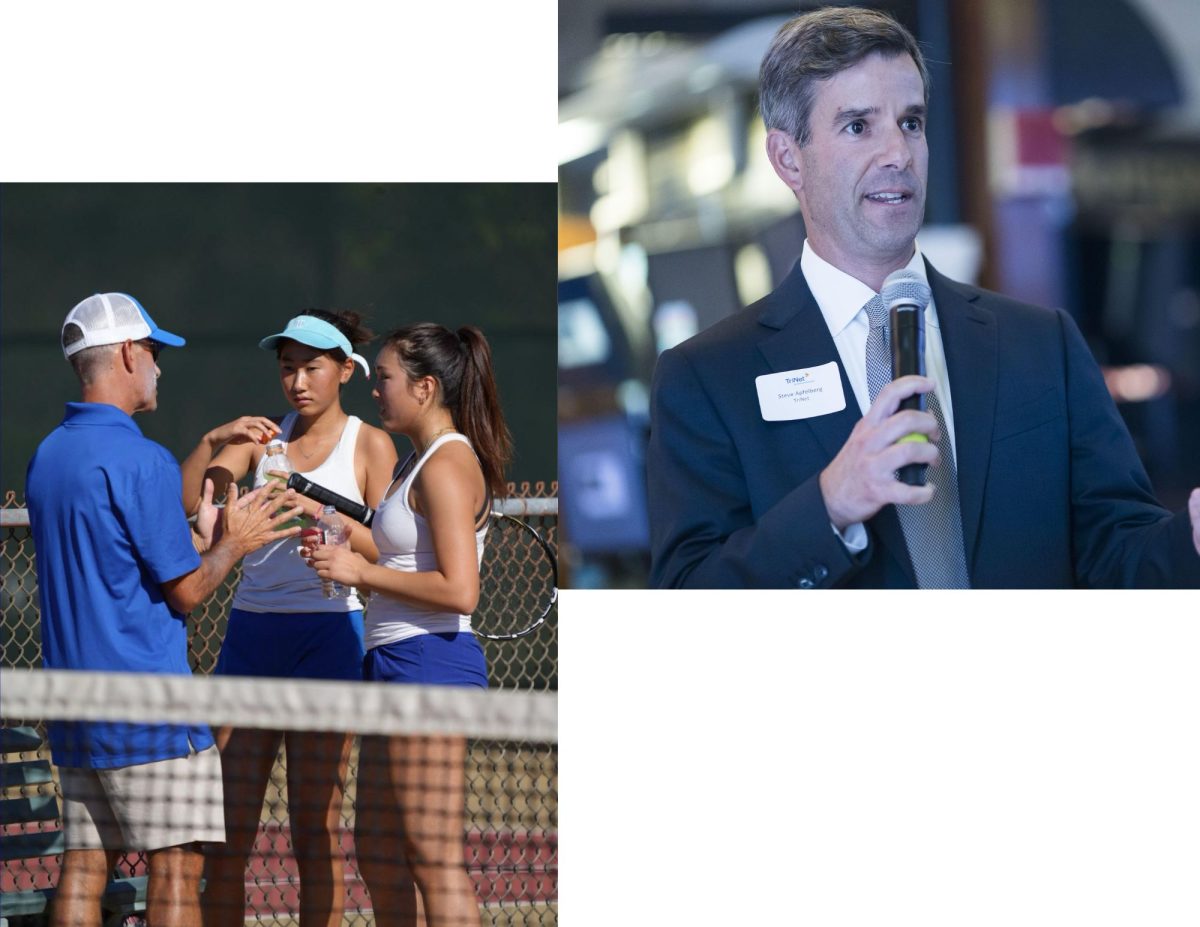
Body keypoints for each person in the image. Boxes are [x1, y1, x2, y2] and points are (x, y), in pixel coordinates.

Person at [647, 6, 1200, 589]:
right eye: (859, 126)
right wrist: (830, 504)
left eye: (910, 122)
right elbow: (688, 598)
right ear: (789, 158)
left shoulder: (1041, 345)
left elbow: (1120, 554)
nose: (899, 154)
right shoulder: (707, 380)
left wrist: (1188, 540)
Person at [26, 292, 302, 927]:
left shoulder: (47, 458)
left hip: (73, 709)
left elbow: (121, 558)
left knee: (83, 866)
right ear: (126, 353)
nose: (159, 366)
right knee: (177, 867)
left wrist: (202, 536)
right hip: (150, 710)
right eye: (152, 352)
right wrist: (233, 542)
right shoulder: (141, 459)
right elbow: (187, 591)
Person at [179, 310, 398, 927]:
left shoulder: (371, 444)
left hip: (329, 639)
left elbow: (389, 548)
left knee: (315, 829)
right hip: (253, 638)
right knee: (226, 831)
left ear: (345, 371)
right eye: (287, 367)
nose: (298, 381)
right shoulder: (260, 439)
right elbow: (193, 499)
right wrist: (213, 444)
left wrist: (322, 514)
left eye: (312, 367)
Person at [305, 323, 512, 927]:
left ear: (424, 388)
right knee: (378, 851)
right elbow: (401, 554)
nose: (377, 390)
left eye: (387, 378)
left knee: (432, 857)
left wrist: (358, 573)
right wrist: (342, 534)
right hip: (391, 662)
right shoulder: (417, 463)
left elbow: (459, 590)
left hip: (431, 663)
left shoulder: (447, 464)